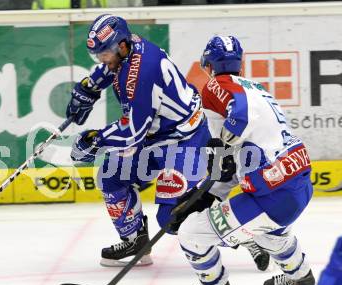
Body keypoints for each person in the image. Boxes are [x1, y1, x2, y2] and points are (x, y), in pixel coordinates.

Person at [65, 15, 269, 271]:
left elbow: (132, 133)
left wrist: (95, 140)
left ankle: (246, 234)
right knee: (111, 175)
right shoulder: (128, 48)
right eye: (99, 55)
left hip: (185, 142)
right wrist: (90, 86)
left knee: (173, 217)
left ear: (123, 45)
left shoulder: (142, 75)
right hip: (157, 138)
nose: (102, 60)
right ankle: (135, 242)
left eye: (105, 53)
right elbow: (111, 68)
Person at [174, 35, 315, 285]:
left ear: (208, 64)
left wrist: (226, 140)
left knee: (191, 234)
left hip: (273, 194)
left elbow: (241, 117)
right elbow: (229, 164)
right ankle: (301, 276)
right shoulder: (257, 88)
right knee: (267, 231)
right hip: (297, 181)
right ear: (240, 64)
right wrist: (207, 194)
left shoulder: (215, 85)